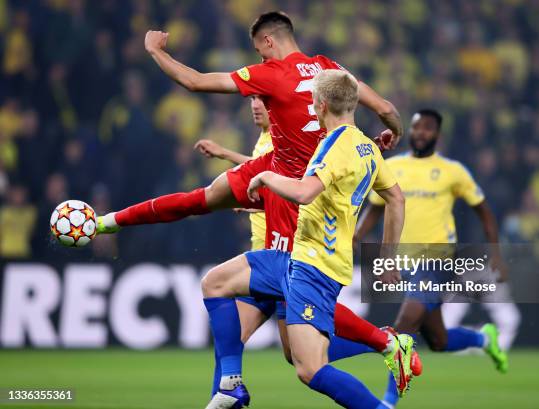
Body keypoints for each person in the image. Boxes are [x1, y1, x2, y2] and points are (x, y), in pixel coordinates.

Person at [95, 11, 412, 396]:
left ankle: (385, 343)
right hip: (279, 170)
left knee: (299, 351)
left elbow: (194, 81)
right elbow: (387, 109)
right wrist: (393, 133)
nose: (259, 61)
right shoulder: (330, 70)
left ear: (267, 42)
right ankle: (110, 221)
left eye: (259, 53)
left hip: (297, 198)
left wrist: (155, 51)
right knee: (206, 202)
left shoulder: (273, 72)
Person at [202, 69, 411, 409]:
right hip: (297, 257)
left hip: (315, 266)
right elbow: (397, 199)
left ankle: (381, 375)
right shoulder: (366, 148)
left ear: (320, 105)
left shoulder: (334, 146)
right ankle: (230, 385)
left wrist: (266, 176)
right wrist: (388, 256)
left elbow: (305, 193)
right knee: (216, 283)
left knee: (309, 368)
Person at [355, 109, 509, 408]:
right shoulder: (393, 166)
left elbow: (484, 211)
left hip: (437, 262)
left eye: (427, 128)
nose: (421, 133)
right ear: (409, 131)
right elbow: (375, 208)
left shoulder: (453, 171)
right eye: (416, 128)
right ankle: (485, 340)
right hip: (403, 264)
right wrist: (355, 239)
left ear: (437, 134)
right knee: (438, 340)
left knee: (403, 326)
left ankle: (388, 401)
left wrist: (497, 255)